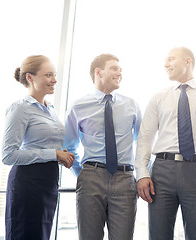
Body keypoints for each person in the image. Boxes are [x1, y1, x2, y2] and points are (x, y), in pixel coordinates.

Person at [135, 47, 196, 240]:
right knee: (158, 235)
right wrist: (142, 173)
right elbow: (145, 137)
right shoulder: (158, 97)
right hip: (161, 172)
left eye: (171, 59)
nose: (165, 64)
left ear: (187, 61)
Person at [63, 53, 142, 240]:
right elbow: (68, 147)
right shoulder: (78, 106)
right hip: (91, 177)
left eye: (120, 70)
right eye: (114, 68)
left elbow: (144, 143)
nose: (119, 73)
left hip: (125, 179)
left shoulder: (131, 105)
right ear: (98, 72)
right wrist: (83, 174)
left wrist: (142, 175)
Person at [2, 55, 75, 239]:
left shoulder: (50, 109)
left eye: (55, 74)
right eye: (48, 75)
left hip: (48, 183)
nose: (54, 80)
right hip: (27, 184)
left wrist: (59, 156)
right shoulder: (20, 108)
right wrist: (53, 153)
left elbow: (44, 148)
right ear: (30, 77)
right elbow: (8, 155)